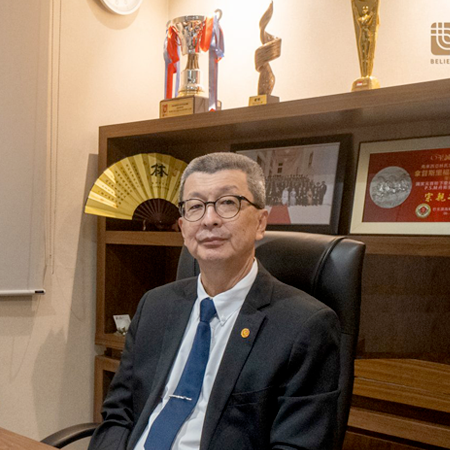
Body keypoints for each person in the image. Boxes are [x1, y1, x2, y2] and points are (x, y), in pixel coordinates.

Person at [88, 152, 340, 450]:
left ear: (261, 222)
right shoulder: (155, 305)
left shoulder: (305, 326)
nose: (209, 219)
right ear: (182, 227)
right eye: (195, 206)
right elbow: (118, 414)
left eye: (228, 203)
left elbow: (296, 446)